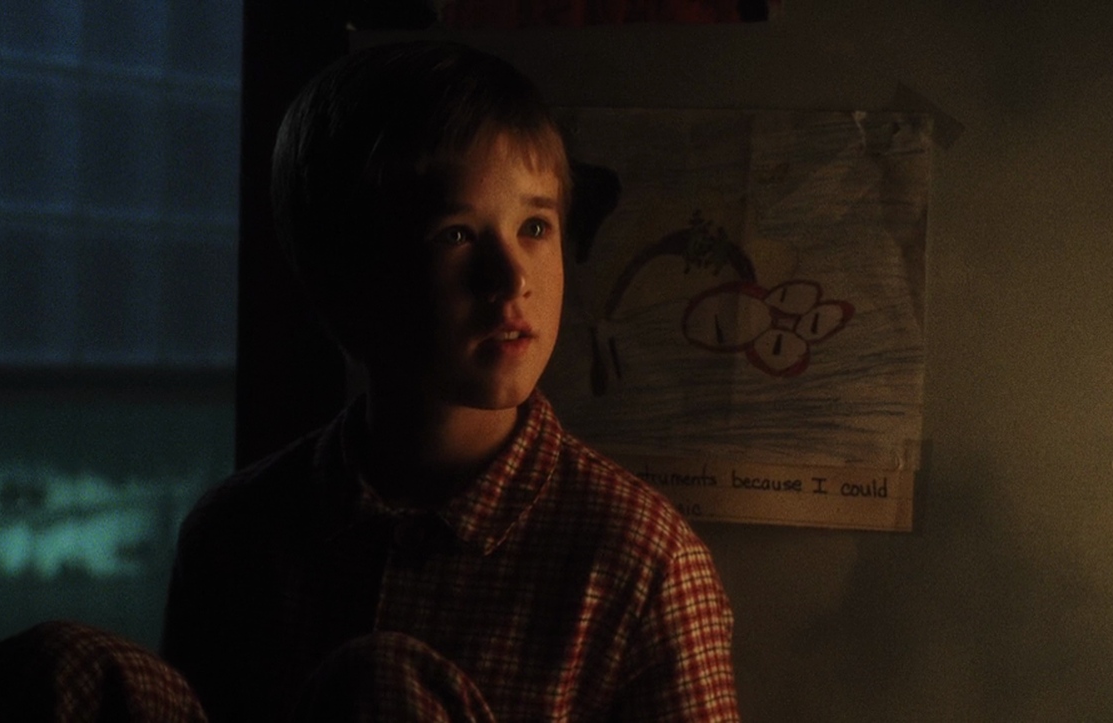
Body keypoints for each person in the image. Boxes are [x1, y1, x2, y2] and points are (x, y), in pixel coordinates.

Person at [160, 40, 739, 721]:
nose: (512, 278)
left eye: (535, 226)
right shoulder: (236, 534)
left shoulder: (640, 562)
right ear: (344, 279)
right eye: (457, 235)